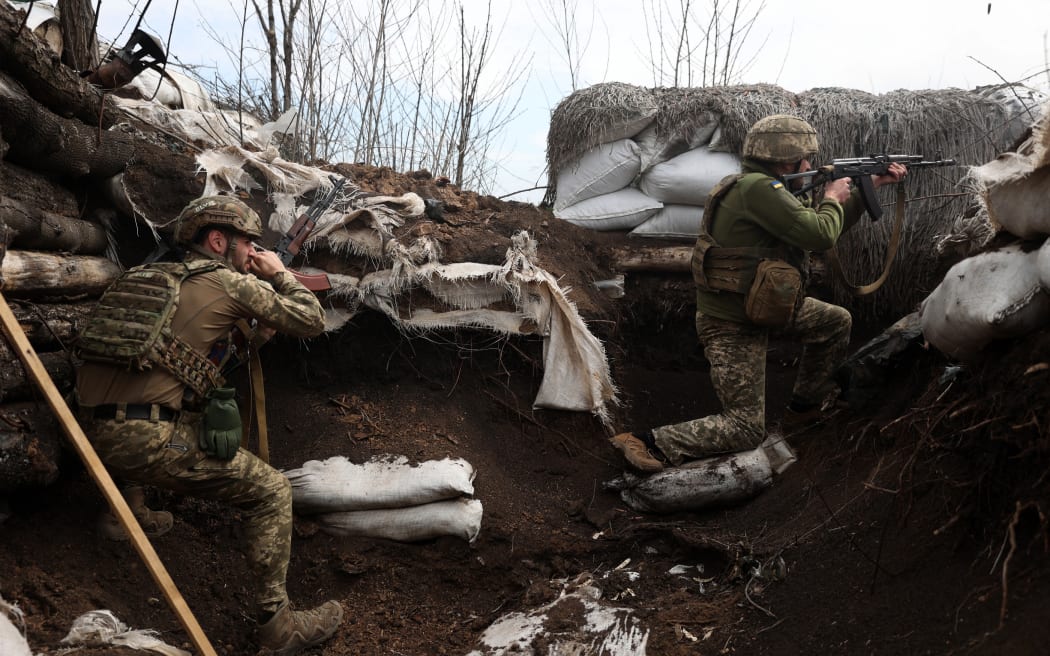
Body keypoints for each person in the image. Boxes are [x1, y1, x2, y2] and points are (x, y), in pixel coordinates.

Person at [74, 195, 342, 654]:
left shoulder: (146, 278)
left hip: (89, 436)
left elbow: (181, 363)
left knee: (170, 408)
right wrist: (278, 272)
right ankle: (279, 626)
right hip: (145, 443)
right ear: (218, 241)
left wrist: (254, 334)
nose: (252, 254)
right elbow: (312, 319)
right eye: (248, 246)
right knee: (273, 490)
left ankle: (128, 512)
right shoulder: (227, 282)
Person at [610, 115, 907, 473]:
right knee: (745, 428)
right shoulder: (758, 190)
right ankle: (648, 442)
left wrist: (866, 188)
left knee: (834, 322)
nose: (810, 166)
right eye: (805, 158)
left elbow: (816, 228)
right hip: (732, 323)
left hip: (766, 307)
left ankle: (802, 413)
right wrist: (831, 197)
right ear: (785, 159)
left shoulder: (768, 190)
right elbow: (819, 235)